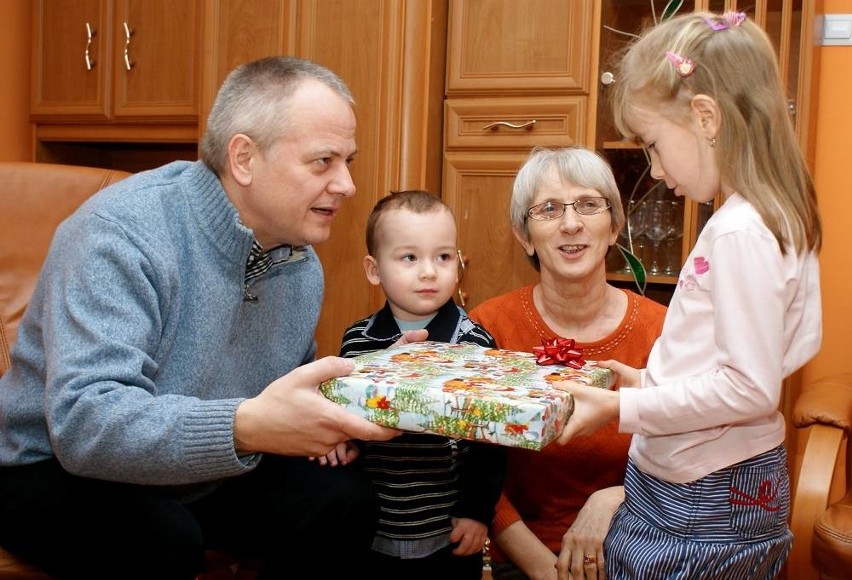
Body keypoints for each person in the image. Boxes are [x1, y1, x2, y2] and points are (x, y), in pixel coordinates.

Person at [0, 56, 422, 579]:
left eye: (348, 161)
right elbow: (86, 424)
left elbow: (280, 393)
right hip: (52, 466)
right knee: (161, 539)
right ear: (244, 158)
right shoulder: (119, 235)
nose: (346, 185)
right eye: (323, 162)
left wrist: (382, 382)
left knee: (343, 501)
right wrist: (247, 426)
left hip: (203, 462)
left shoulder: (298, 261)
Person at [553, 12, 822, 580]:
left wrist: (622, 409)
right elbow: (727, 360)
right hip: (716, 476)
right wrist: (646, 381)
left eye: (652, 143)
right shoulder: (768, 218)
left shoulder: (740, 231)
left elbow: (748, 387)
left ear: (705, 117)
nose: (653, 167)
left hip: (706, 490)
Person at [467, 146, 667, 580]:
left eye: (589, 205)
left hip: (643, 551)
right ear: (525, 236)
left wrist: (614, 497)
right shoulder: (487, 325)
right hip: (523, 559)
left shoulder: (664, 330)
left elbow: (692, 458)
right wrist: (541, 566)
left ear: (615, 226)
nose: (571, 223)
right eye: (549, 209)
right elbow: (470, 466)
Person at [336, 190, 506, 579]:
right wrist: (339, 441)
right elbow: (345, 411)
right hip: (372, 523)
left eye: (443, 256)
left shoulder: (474, 343)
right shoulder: (357, 341)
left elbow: (491, 442)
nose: (429, 271)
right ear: (374, 269)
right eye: (410, 257)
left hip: (446, 529)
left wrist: (477, 512)